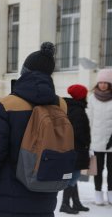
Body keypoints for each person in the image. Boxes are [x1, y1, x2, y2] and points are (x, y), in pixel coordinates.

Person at [0, 42, 65, 217]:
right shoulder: (61, 105)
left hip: (9, 195)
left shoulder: (8, 105)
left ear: (24, 72)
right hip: (46, 194)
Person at [59, 84, 91, 214]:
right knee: (73, 176)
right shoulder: (77, 110)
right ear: (82, 96)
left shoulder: (70, 106)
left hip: (72, 147)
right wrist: (86, 142)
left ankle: (76, 202)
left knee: (73, 175)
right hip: (77, 148)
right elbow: (78, 131)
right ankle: (65, 204)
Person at [87, 69, 112, 206]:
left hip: (111, 141)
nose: (102, 85)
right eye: (100, 82)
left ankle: (110, 193)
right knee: (98, 170)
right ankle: (98, 194)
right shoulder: (92, 98)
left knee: (111, 170)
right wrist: (88, 141)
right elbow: (89, 119)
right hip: (96, 141)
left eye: (106, 82)